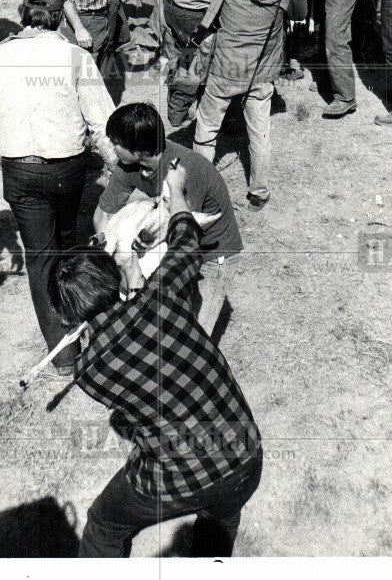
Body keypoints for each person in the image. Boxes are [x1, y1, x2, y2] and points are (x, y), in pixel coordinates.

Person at [51, 163, 262, 557]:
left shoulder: (89, 372)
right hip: (247, 457)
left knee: (104, 523)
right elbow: (185, 236)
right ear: (112, 273)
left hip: (180, 478)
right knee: (222, 517)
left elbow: (132, 361)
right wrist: (177, 190)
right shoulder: (165, 298)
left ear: (69, 317)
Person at [0, 0, 118, 373]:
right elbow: (102, 121)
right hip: (68, 169)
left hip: (19, 171)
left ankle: (63, 355)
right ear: (58, 18)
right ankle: (84, 315)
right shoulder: (74, 57)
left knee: (40, 258)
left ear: (22, 13)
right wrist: (116, 163)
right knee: (69, 244)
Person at [93, 103, 244, 336]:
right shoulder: (129, 165)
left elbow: (181, 230)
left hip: (211, 253)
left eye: (116, 143)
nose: (111, 147)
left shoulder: (184, 169)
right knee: (164, 328)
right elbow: (105, 212)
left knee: (194, 337)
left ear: (138, 148)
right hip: (176, 247)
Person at [193, 0, 295, 210]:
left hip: (226, 68)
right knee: (260, 132)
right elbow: (300, 13)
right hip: (262, 72)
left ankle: (198, 189)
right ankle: (258, 191)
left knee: (207, 130)